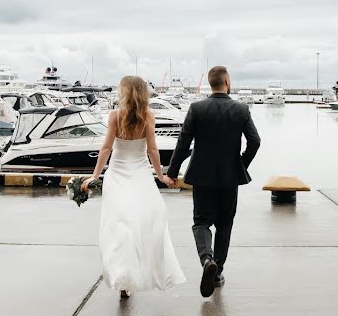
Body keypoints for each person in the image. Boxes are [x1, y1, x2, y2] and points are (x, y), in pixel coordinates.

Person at [82, 76, 185, 299]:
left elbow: (106, 149)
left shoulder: (115, 117)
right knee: (145, 223)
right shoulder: (148, 117)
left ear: (125, 93)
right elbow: (153, 151)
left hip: (117, 175)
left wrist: (94, 176)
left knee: (119, 226)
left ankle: (123, 278)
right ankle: (134, 272)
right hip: (140, 175)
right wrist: (161, 176)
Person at [167, 66, 261, 298]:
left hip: (202, 176)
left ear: (210, 83)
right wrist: (241, 165)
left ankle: (206, 259)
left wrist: (173, 171)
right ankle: (217, 272)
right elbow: (255, 141)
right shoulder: (241, 109)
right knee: (225, 224)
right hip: (230, 178)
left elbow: (183, 143)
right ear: (227, 81)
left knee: (201, 222)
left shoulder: (197, 108)